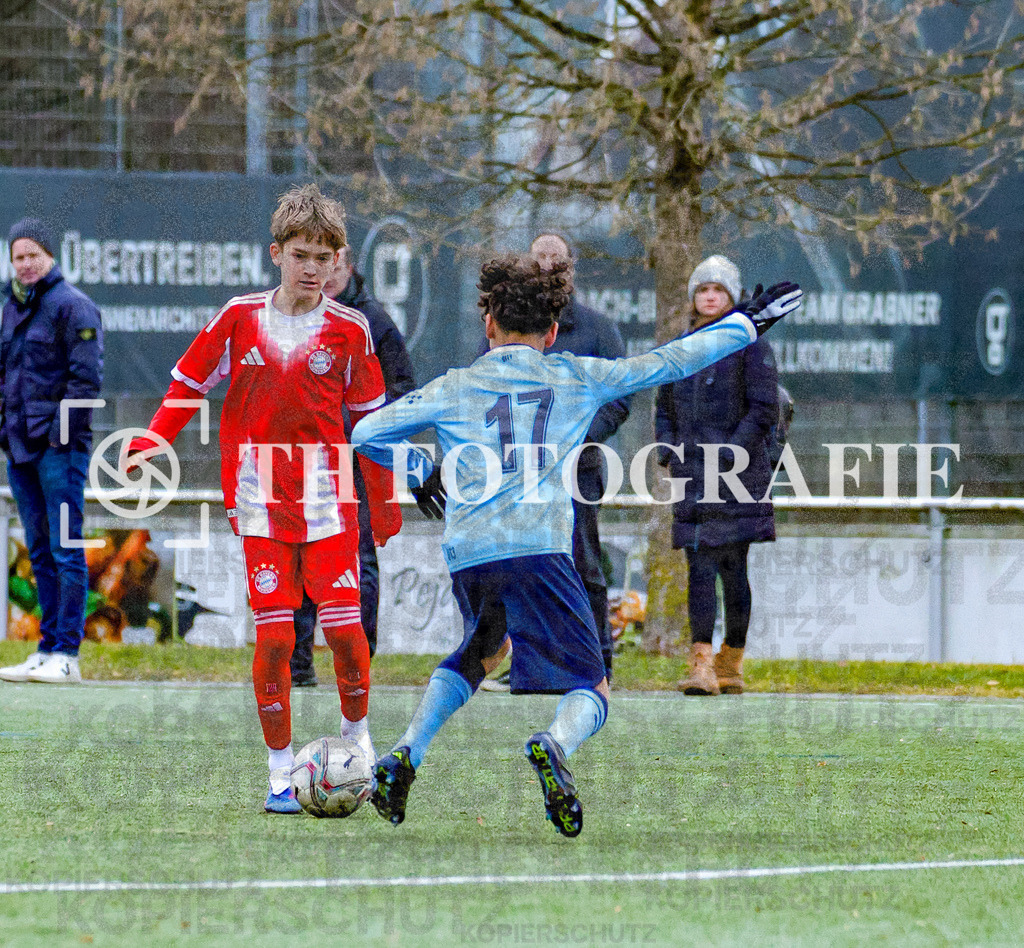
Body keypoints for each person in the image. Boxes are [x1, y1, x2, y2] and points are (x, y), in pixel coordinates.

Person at [351, 254, 800, 837]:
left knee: (483, 650)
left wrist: (418, 467)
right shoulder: (574, 375)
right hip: (538, 548)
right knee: (593, 685)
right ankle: (554, 745)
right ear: (553, 332)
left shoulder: (456, 384)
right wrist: (745, 324)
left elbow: (365, 432)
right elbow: (667, 362)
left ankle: (405, 755)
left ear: (487, 325)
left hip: (469, 551)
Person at [124, 184, 403, 813]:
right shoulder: (239, 318)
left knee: (346, 634)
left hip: (331, 503)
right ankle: (280, 771)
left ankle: (357, 744)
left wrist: (383, 503)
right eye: (300, 254)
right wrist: (154, 439)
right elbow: (187, 381)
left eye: (323, 258)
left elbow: (372, 425)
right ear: (277, 252)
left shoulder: (352, 331)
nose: (311, 267)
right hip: (258, 503)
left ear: (338, 264)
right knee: (275, 639)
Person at [480, 233, 630, 690]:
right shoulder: (506, 322)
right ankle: (529, 667)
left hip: (577, 470)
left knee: (583, 565)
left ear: (570, 267)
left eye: (555, 258)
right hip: (519, 473)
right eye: (538, 257)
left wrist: (575, 438)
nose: (546, 264)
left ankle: (597, 666)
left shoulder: (599, 329)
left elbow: (620, 397)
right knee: (523, 566)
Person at [289, 245, 417, 686]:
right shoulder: (294, 314)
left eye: (330, 265)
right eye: (311, 264)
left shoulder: (373, 323)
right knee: (297, 552)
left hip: (355, 463)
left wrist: (358, 427)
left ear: (345, 267)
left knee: (357, 558)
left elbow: (404, 389)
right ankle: (297, 665)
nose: (321, 275)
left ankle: (357, 662)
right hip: (301, 458)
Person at [654, 255, 781, 697]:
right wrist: (666, 446)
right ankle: (701, 664)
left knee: (734, 570)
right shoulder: (682, 345)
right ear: (694, 297)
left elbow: (766, 409)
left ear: (732, 297)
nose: (710, 296)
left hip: (739, 476)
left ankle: (732, 660)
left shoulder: (751, 346)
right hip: (692, 476)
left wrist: (732, 451)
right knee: (699, 568)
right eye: (703, 289)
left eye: (719, 290)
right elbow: (663, 406)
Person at [0, 218, 103, 685]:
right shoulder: (10, 309)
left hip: (59, 454)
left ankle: (67, 653)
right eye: (17, 257)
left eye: (32, 255)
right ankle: (45, 650)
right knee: (38, 551)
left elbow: (86, 384)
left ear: (50, 256)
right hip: (19, 453)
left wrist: (59, 440)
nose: (24, 265)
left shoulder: (74, 307)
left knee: (66, 549)